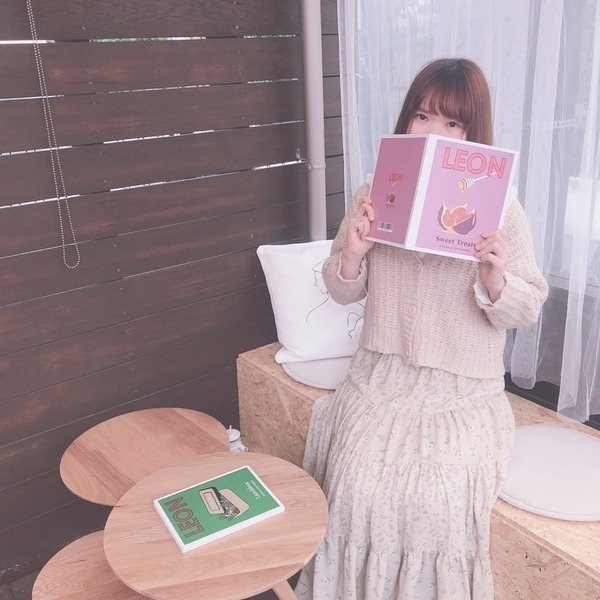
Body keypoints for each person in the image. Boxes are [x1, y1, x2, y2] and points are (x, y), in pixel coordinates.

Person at [294, 58, 549, 600]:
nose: (435, 132)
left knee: (436, 500)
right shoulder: (375, 190)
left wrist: (496, 279)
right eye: (423, 116)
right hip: (380, 379)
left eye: (453, 123)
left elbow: (527, 308)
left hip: (461, 393)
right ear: (406, 120)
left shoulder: (503, 208)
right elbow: (342, 290)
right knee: (356, 486)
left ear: (473, 134)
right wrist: (352, 254)